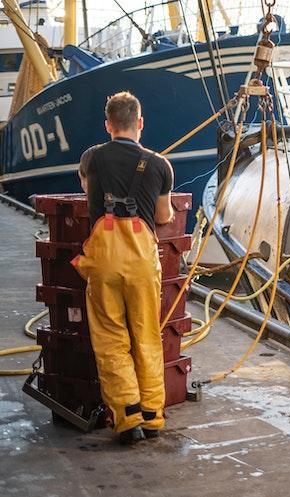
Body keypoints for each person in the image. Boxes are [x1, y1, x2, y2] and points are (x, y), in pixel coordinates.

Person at [74, 91, 175, 445]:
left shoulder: (91, 158)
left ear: (108, 125)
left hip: (103, 259)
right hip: (141, 261)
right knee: (146, 335)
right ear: (140, 123)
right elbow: (163, 217)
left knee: (111, 339)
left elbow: (87, 192)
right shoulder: (160, 164)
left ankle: (127, 418)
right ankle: (152, 417)